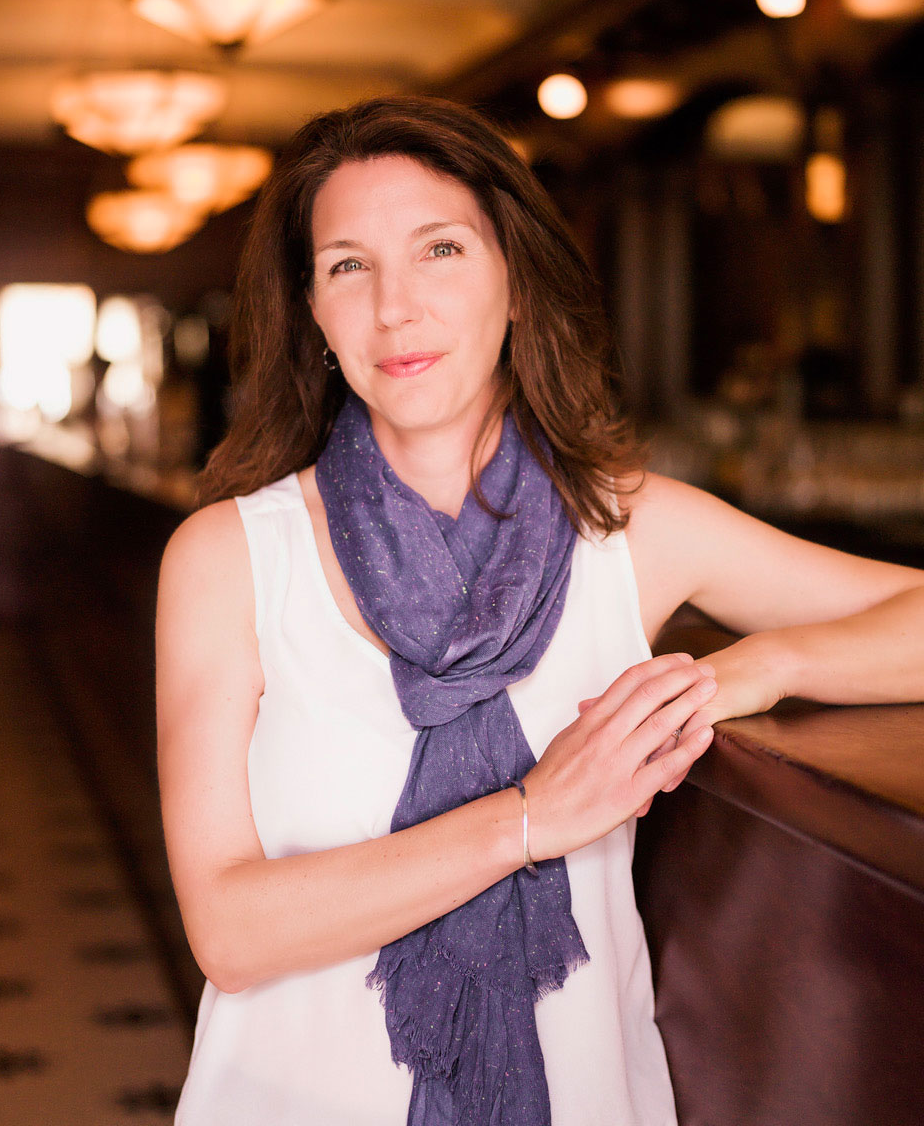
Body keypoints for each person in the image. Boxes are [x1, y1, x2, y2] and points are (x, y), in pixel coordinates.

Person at [156, 95, 924, 1126]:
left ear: (515, 281)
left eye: (440, 249)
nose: (396, 305)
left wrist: (755, 666)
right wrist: (530, 819)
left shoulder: (632, 528)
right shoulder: (229, 557)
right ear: (313, 313)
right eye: (349, 264)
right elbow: (229, 928)